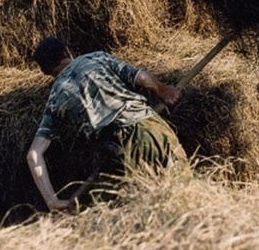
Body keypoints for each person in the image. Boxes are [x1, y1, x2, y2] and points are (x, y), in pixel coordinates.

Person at [26, 37, 186, 213]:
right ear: (66, 51)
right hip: (149, 128)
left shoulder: (55, 99)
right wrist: (163, 90)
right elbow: (140, 77)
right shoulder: (95, 59)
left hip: (115, 151)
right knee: (184, 194)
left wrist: (52, 201)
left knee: (144, 210)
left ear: (45, 71)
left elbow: (34, 155)